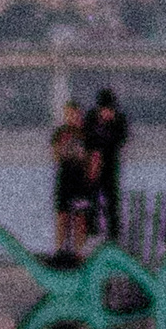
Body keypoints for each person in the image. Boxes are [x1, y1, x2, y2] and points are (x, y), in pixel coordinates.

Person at [82, 84, 128, 241]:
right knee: (91, 199)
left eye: (110, 108)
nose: (107, 112)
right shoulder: (90, 118)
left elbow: (121, 139)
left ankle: (114, 236)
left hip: (110, 164)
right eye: (104, 108)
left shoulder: (119, 119)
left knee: (112, 201)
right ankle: (90, 233)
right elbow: (86, 139)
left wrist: (110, 124)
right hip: (93, 165)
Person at [48, 102, 93, 260]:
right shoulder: (60, 133)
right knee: (62, 215)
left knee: (80, 217)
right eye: (70, 114)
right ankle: (60, 250)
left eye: (76, 114)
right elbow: (56, 155)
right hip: (64, 177)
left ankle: (79, 252)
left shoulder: (86, 133)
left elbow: (90, 158)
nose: (73, 117)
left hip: (80, 179)